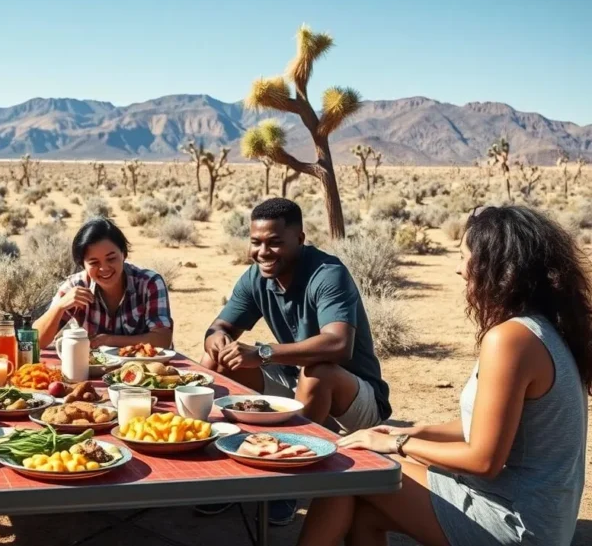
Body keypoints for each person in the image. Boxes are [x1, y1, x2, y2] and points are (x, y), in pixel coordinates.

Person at [299, 205, 590, 546]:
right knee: (364, 513)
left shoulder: (512, 340)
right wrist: (415, 430)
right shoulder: (544, 329)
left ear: (495, 266)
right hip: (533, 515)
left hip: (515, 523)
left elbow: (483, 460)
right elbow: (491, 427)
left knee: (350, 467)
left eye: (464, 256)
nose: (458, 269)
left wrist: (397, 444)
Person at [200, 198, 391, 525]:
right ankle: (227, 470)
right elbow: (219, 327)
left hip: (352, 401)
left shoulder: (327, 274)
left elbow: (339, 345)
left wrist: (262, 353)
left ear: (300, 239)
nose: (263, 252)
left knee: (318, 373)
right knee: (217, 361)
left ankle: (287, 488)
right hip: (295, 388)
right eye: (256, 242)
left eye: (275, 243)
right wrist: (217, 340)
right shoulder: (255, 277)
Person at [33, 217, 173, 350]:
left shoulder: (149, 283)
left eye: (111, 259)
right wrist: (60, 307)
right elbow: (35, 341)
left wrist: (110, 341)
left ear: (123, 254)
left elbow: (162, 340)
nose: (104, 268)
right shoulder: (76, 286)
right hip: (96, 371)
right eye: (94, 262)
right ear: (83, 264)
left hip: (147, 371)